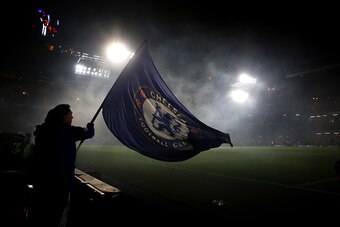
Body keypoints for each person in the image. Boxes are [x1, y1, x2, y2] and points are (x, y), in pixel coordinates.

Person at [28, 104, 94, 227]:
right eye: (70, 115)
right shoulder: (68, 131)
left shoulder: (43, 130)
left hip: (42, 179)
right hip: (61, 181)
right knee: (59, 212)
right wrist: (90, 126)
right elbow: (89, 133)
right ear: (63, 117)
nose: (72, 117)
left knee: (41, 211)